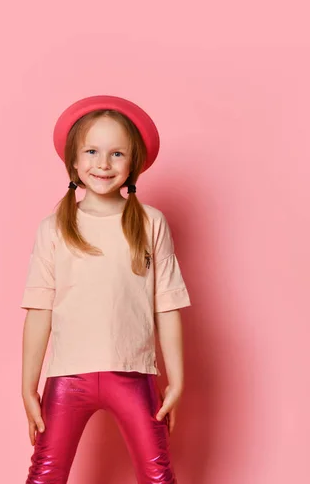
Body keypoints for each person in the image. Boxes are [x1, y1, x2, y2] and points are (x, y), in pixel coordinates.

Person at [20, 95, 191, 483]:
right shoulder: (54, 227)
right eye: (92, 151)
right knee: (45, 473)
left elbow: (167, 305)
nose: (103, 163)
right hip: (68, 377)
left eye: (117, 154)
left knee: (157, 474)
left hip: (134, 374)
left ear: (133, 164)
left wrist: (177, 381)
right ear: (74, 161)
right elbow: (39, 309)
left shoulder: (150, 222)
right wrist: (28, 386)